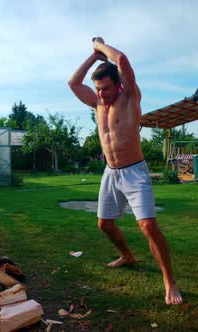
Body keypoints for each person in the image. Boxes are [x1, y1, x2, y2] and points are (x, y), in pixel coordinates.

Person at [68, 37, 182, 305]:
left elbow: (122, 62)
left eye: (105, 88)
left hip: (134, 171)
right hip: (111, 172)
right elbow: (73, 84)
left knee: (148, 225)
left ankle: (169, 281)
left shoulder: (130, 98)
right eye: (97, 89)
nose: (100, 93)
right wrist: (93, 57)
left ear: (118, 85)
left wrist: (100, 45)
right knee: (104, 224)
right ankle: (127, 255)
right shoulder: (96, 104)